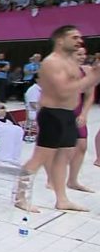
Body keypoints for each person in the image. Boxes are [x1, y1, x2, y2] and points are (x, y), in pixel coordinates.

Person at [14, 26, 100, 213]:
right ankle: (20, 197)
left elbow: (84, 88)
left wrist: (95, 75)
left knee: (64, 157)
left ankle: (62, 199)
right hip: (52, 115)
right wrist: (92, 77)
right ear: (60, 40)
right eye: (74, 37)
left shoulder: (71, 63)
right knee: (39, 158)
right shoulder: (52, 62)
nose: (79, 40)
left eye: (80, 37)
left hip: (69, 114)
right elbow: (64, 91)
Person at [48, 46, 95, 192]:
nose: (82, 56)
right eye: (79, 54)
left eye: (84, 54)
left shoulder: (87, 72)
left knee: (81, 146)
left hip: (77, 111)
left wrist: (84, 114)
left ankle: (73, 180)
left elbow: (89, 96)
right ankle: (52, 179)